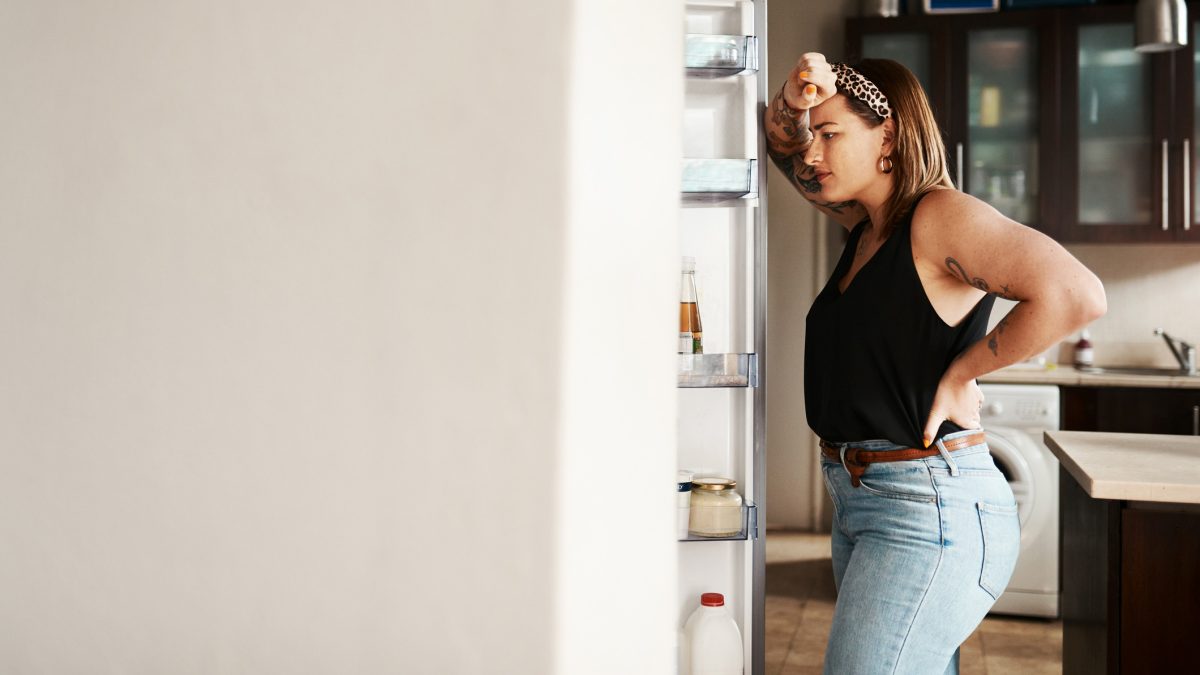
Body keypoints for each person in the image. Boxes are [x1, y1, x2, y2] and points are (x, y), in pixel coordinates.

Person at [764, 53, 1106, 674]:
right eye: (812, 136)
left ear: (888, 132)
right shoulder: (865, 228)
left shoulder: (939, 215)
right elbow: (783, 152)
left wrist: (962, 371)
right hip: (864, 499)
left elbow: (1076, 294)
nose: (812, 153)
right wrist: (794, 101)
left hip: (927, 508)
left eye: (831, 133)